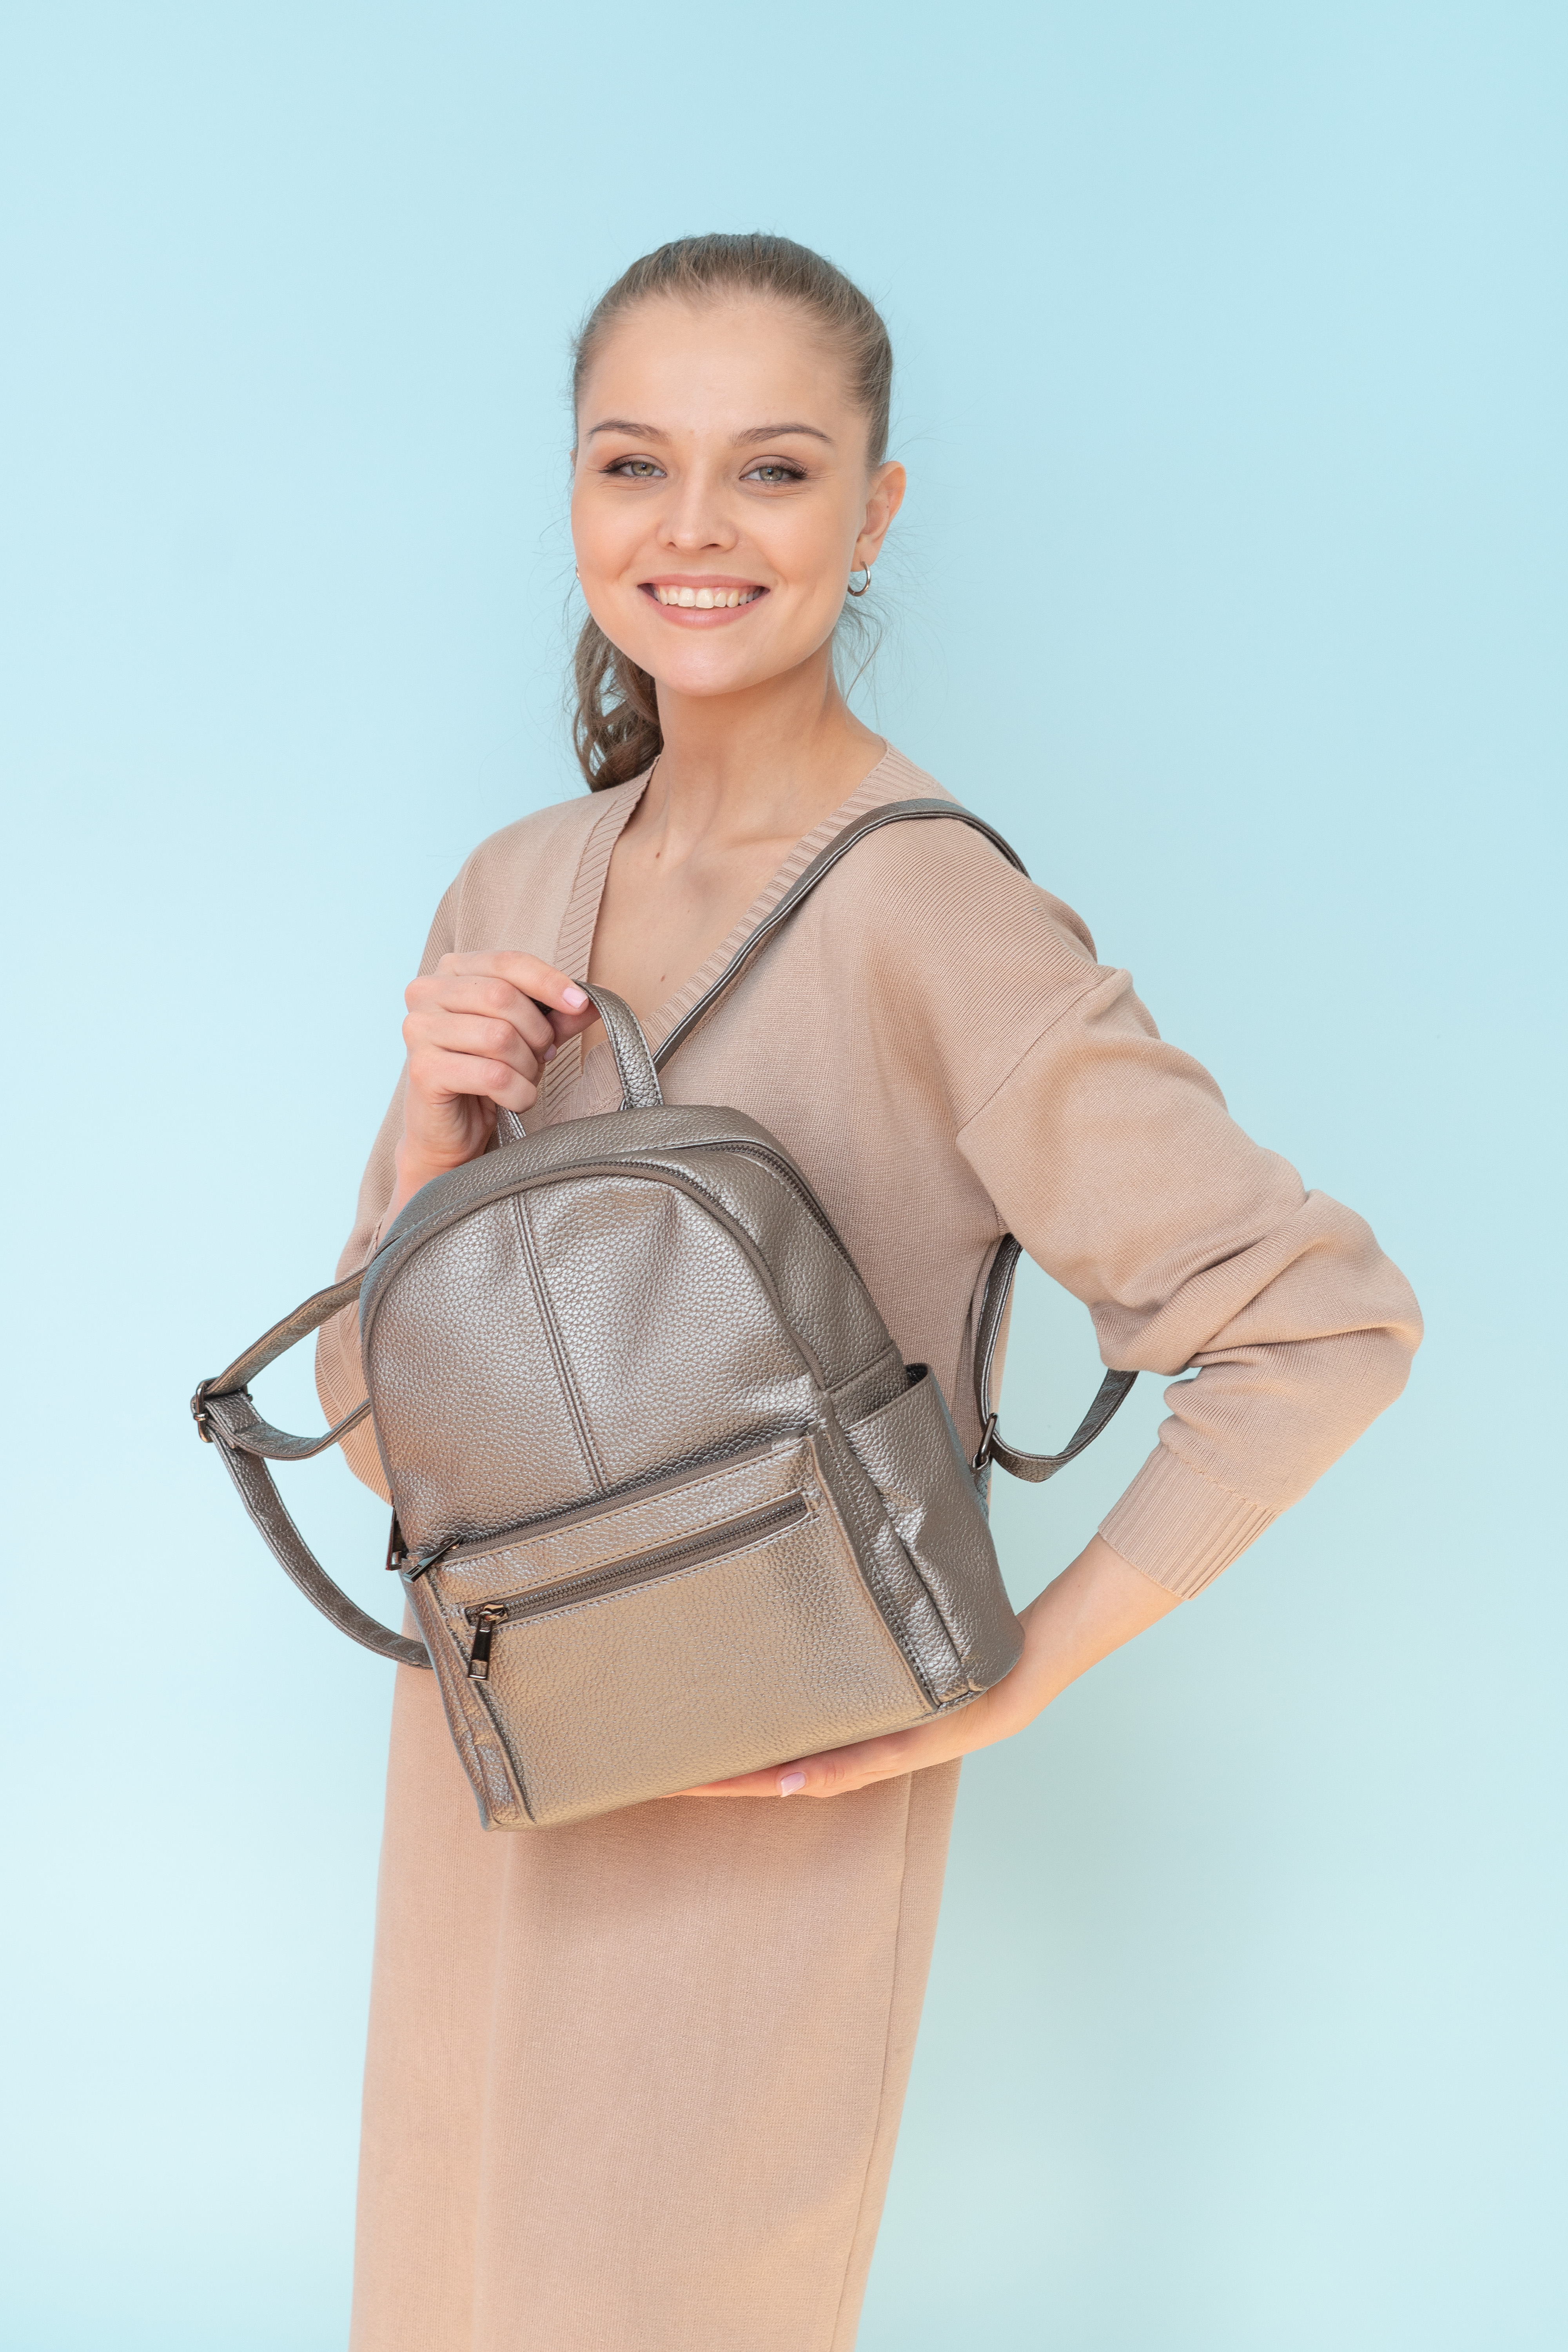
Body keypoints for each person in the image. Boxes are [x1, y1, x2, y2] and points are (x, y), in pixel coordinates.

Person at [316, 232, 1421, 2352]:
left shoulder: (930, 908)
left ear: (875, 510)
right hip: (488, 1782)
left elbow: (1320, 1327)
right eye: (635, 464)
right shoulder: (513, 886)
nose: (695, 529)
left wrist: (1013, 1677)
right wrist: (429, 1146)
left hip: (756, 1818)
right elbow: (393, 1453)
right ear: (573, 492)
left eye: (775, 469)